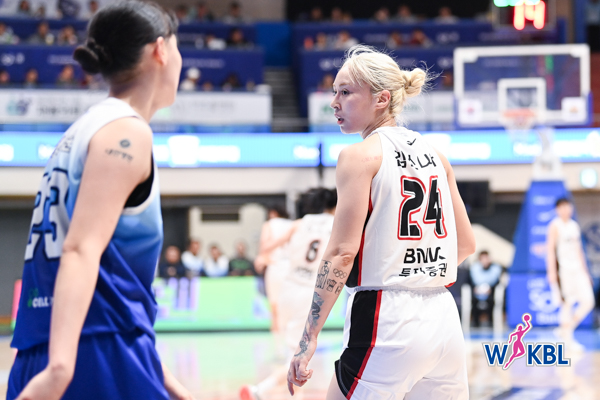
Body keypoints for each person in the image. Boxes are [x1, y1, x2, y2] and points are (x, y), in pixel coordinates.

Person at [7, 2, 194, 400]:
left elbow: (107, 277)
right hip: (88, 354)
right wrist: (61, 368)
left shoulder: (85, 128)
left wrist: (165, 381)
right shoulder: (126, 132)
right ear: (161, 50)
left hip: (59, 344)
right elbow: (80, 249)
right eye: (179, 47)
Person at [286, 45, 476, 399]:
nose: (334, 102)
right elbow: (466, 245)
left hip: (387, 319)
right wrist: (418, 273)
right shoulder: (437, 156)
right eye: (334, 92)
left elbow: (342, 254)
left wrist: (308, 338)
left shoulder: (359, 156)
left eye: (345, 92)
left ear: (381, 99)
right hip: (443, 318)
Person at [241, 188, 337, 400]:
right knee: (300, 355)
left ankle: (294, 396)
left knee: (293, 350)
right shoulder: (337, 224)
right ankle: (259, 391)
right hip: (310, 293)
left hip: (288, 287)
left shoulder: (299, 223)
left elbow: (267, 247)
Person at [547, 197, 595, 351]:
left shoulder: (574, 226)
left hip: (578, 270)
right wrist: (551, 272)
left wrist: (586, 272)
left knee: (588, 301)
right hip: (563, 271)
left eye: (568, 206)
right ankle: (568, 341)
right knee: (566, 304)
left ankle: (565, 329)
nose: (566, 210)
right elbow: (550, 250)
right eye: (562, 207)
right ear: (557, 210)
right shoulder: (555, 225)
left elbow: (579, 250)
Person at [253, 205, 292, 334]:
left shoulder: (269, 224)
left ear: (273, 213)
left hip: (276, 266)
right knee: (289, 303)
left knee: (274, 305)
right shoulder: (293, 225)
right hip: (291, 266)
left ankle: (276, 333)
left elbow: (264, 245)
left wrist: (261, 258)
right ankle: (288, 332)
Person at [470, 250, 502, 327]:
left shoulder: (495, 268)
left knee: (492, 301)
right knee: (473, 301)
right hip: (477, 291)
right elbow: (472, 281)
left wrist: (490, 288)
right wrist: (476, 288)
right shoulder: (474, 268)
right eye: (482, 259)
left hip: (490, 291)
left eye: (486, 258)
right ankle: (475, 322)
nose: (484, 261)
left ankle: (491, 321)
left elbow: (496, 281)